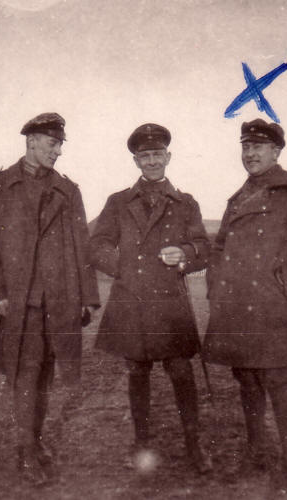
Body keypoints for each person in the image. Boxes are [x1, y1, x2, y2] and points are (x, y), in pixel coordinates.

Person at [203, 119, 287, 498]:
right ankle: (257, 454)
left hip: (273, 306)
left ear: (276, 151)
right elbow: (219, 248)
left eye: (258, 147)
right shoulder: (237, 198)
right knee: (246, 379)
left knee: (277, 382)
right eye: (245, 147)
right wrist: (216, 287)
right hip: (236, 307)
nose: (250, 154)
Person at [0, 112, 100, 483]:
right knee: (25, 374)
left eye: (60, 144)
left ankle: (34, 441)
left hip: (58, 300)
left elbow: (81, 245)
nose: (58, 151)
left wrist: (87, 297)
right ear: (31, 141)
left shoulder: (68, 191)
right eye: (52, 143)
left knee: (43, 374)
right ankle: (26, 452)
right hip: (18, 300)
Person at [89, 123, 212, 474]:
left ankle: (193, 445)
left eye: (158, 154)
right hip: (131, 300)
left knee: (181, 372)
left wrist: (185, 253)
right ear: (136, 161)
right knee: (137, 372)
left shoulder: (186, 203)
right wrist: (123, 268)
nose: (152, 161)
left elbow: (204, 248)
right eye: (145, 156)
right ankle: (142, 443)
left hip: (170, 304)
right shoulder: (118, 202)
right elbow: (97, 245)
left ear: (168, 157)